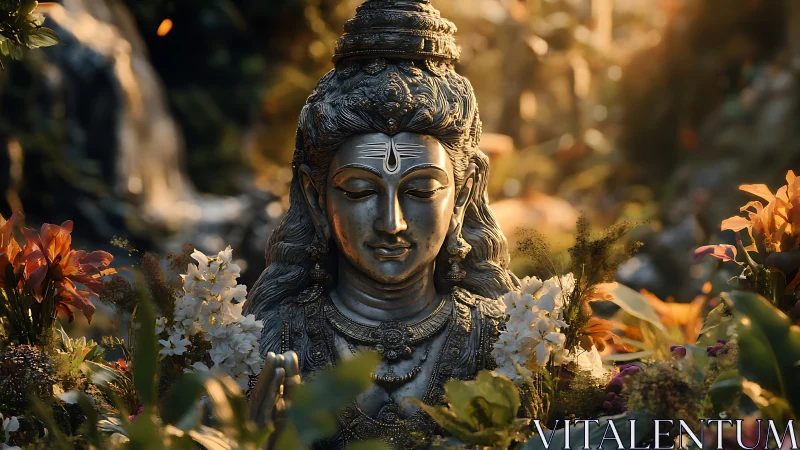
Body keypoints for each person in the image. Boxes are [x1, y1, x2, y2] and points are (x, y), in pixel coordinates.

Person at [245, 0, 519, 447]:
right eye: (359, 191)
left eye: (421, 191)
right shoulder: (272, 339)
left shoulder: (506, 340)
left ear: (463, 195)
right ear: (315, 198)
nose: (392, 223)